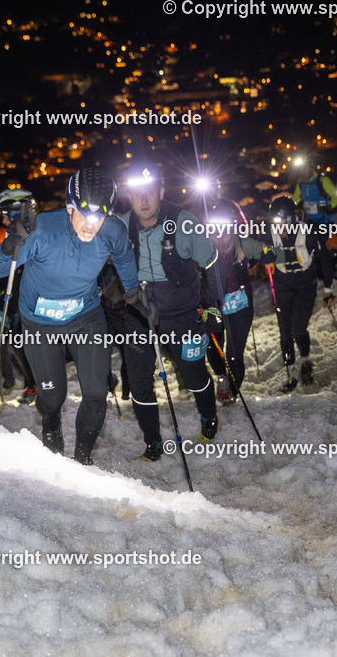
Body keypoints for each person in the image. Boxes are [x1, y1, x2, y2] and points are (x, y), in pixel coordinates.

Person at [0, 166, 141, 465]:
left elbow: (123, 257)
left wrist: (134, 292)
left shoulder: (112, 229)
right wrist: (10, 243)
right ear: (69, 206)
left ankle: (82, 459)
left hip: (85, 316)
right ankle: (51, 423)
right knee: (52, 398)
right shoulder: (41, 231)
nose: (90, 225)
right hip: (40, 322)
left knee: (97, 393)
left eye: (99, 217)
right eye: (83, 214)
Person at [117, 166, 220, 462]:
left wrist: (213, 305)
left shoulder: (183, 223)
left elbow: (212, 262)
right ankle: (152, 442)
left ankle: (209, 415)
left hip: (180, 311)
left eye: (150, 192)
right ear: (129, 196)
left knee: (192, 371)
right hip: (138, 310)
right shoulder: (121, 226)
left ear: (161, 193)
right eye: (137, 194)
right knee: (138, 381)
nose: (144, 200)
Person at [265, 196, 335, 388]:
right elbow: (254, 249)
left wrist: (328, 290)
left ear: (292, 218)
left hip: (305, 285)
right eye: (277, 223)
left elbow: (325, 260)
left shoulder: (308, 232)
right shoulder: (269, 233)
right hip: (282, 285)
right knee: (285, 332)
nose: (281, 228)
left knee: (297, 328)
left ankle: (305, 361)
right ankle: (291, 374)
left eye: (284, 222)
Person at [199, 198, 263, 406]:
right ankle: (221, 377)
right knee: (213, 349)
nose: (220, 238)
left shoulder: (240, 246)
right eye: (214, 232)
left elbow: (257, 248)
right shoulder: (202, 251)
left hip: (240, 305)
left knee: (234, 353)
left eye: (225, 231)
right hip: (214, 305)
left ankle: (233, 392)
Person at [0, 189, 36, 404]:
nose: (3, 219)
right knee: (7, 337)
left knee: (23, 340)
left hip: (35, 295)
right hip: (12, 296)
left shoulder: (37, 231)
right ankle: (20, 382)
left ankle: (33, 384)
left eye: (6, 214)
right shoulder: (2, 233)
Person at [292, 160, 337, 225]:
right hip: (310, 221)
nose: (303, 172)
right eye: (301, 170)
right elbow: (295, 198)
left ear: (311, 169)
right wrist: (291, 207)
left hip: (326, 221)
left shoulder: (322, 180)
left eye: (305, 169)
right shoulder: (301, 182)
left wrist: (329, 206)